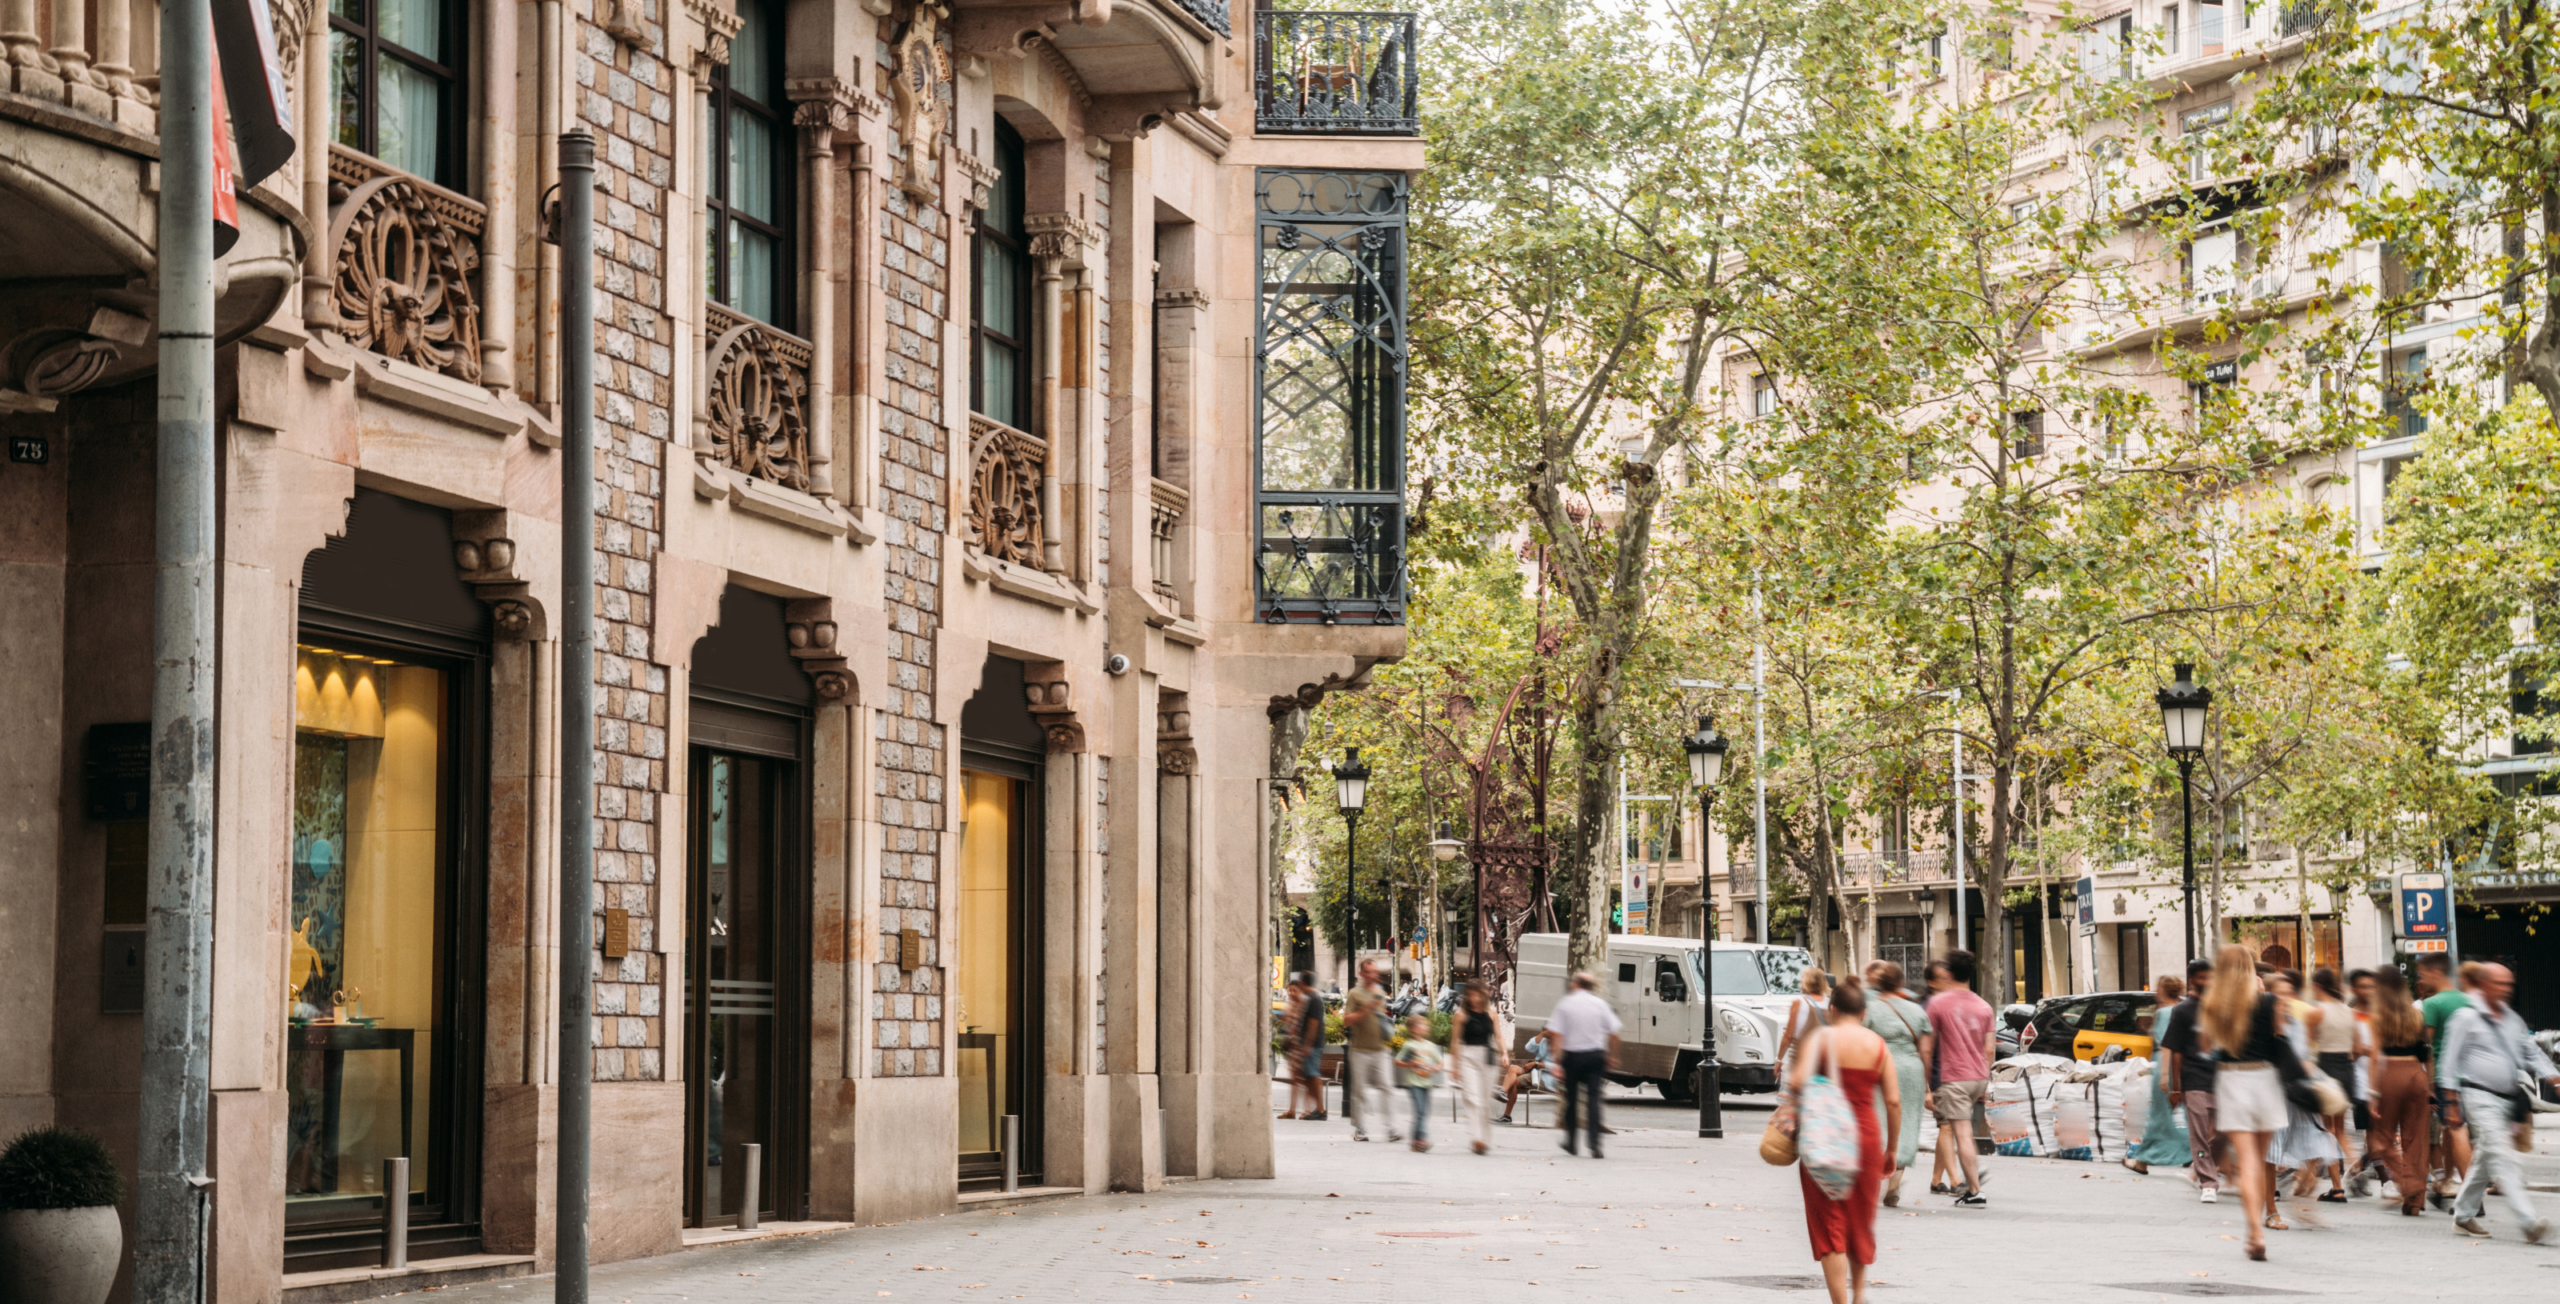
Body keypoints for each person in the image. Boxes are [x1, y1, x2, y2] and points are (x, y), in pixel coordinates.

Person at [1790, 975, 1898, 1304]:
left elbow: (1796, 1082)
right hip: (1865, 1140)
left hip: (1824, 1139)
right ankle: (1859, 1295)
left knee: (1830, 1222)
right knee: (1859, 1221)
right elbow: (1893, 1101)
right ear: (1863, 1013)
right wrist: (1891, 1148)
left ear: (1832, 1009)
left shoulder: (1821, 1039)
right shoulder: (1878, 1046)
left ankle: (1840, 1302)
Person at [2439, 961, 2559, 1242]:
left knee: (2485, 1158)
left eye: (2509, 984)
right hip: (2478, 1095)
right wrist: (2452, 1103)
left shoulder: (2512, 1019)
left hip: (2508, 1099)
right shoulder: (2464, 1018)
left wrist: (2554, 1078)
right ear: (2482, 984)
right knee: (2503, 1157)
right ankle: (2529, 1221)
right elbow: (2448, 1062)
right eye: (2499, 984)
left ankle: (2463, 1215)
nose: (2506, 989)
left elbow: (2530, 1053)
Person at [2199, 945, 2303, 1262]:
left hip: (2233, 1081)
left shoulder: (2214, 1004)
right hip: (2266, 1080)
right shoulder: (2269, 1001)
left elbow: (2205, 1046)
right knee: (2260, 1160)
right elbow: (2282, 1037)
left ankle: (2254, 1233)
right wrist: (2263, 995)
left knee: (2248, 1163)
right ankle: (2258, 1229)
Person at [2263, 970, 2340, 1216]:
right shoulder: (2264, 1023)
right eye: (2279, 993)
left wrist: (2309, 1075)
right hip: (2275, 1093)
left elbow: (2306, 1054)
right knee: (2273, 1149)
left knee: (2315, 1138)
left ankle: (2305, 1197)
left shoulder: (2295, 1021)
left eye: (2288, 992)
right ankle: (2271, 1205)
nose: (2285, 997)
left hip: (2297, 1092)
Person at [1923, 952, 1994, 1207]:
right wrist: (1985, 1079)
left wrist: (1927, 1085)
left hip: (1954, 1078)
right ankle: (1972, 1182)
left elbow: (1927, 1047)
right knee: (1965, 1132)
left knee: (1962, 1134)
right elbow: (1989, 1049)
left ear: (1949, 974)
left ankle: (1974, 1190)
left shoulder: (1938, 1003)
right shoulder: (1984, 1006)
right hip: (1978, 1077)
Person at [2364, 965, 2433, 1216]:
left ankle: (2408, 1185)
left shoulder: (2378, 1015)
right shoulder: (2417, 1015)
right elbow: (2427, 1054)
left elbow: (2373, 1055)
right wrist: (2432, 1086)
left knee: (2381, 1138)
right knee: (2417, 1140)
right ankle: (2416, 1199)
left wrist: (2372, 1093)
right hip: (2416, 1074)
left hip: (2390, 1075)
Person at [1861, 961, 1930, 1208]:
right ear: (1901, 982)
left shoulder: (1869, 1009)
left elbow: (1862, 1041)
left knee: (1878, 1121)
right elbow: (1925, 1052)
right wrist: (1928, 1086)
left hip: (1880, 1067)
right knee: (1908, 1123)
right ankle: (1895, 1180)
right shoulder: (1916, 1011)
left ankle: (1875, 1178)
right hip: (1912, 1070)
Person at [2161, 956, 2222, 1204]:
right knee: (2198, 1134)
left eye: (2210, 976)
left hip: (2222, 1080)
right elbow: (2176, 1052)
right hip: (2194, 1080)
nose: (2207, 981)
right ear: (2192, 980)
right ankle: (2209, 1183)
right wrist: (2177, 1088)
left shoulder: (2221, 1009)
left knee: (2224, 1131)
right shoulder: (2182, 1010)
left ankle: (2202, 1168)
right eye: (2202, 977)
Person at [2418, 954, 2474, 1206]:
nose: (2421, 979)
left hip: (2443, 1074)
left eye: (2423, 974)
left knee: (2454, 1129)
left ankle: (2471, 1195)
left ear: (2434, 972)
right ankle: (2446, 1183)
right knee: (2452, 1132)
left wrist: (2428, 1084)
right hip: (2471, 1074)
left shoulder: (2433, 1003)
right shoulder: (2470, 1001)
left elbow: (2426, 1048)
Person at [1547, 971, 1622, 1158]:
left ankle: (1571, 1142)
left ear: (1575, 984)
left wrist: (1556, 1062)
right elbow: (1614, 1032)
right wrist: (1611, 1055)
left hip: (1572, 1057)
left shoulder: (1565, 1004)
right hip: (1595, 1057)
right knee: (1594, 1099)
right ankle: (1595, 1143)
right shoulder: (1601, 1004)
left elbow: (1556, 1034)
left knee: (1572, 1100)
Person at [2123, 974, 2191, 1175]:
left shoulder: (2164, 1012)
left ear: (2162, 990)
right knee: (2182, 1115)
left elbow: (2166, 1045)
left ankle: (2143, 1160)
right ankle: (2189, 1154)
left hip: (2166, 1064)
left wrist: (2163, 1076)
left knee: (2160, 1115)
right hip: (2181, 1064)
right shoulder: (2181, 1009)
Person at [2304, 967, 2361, 1201]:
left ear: (2317, 986)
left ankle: (2338, 1186)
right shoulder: (2350, 1013)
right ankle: (2356, 1166)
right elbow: (2357, 1049)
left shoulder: (2316, 1013)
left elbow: (2308, 1049)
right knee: (2338, 1129)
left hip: (2325, 1068)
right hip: (2347, 1069)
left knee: (2326, 1130)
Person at [1343, 960, 1398, 1142]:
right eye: (1369, 972)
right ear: (1362, 973)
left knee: (1387, 1087)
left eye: (1375, 972)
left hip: (1380, 1049)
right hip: (1359, 1050)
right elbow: (1347, 1020)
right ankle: (1360, 1128)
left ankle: (1391, 1128)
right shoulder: (1355, 994)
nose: (1374, 975)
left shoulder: (1380, 993)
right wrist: (1367, 1008)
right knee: (1359, 1091)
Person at [1448, 981, 1506, 1154]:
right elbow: (1456, 1041)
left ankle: (1484, 1139)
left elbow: (1499, 1036)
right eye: (1470, 995)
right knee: (1473, 1098)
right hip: (1467, 1056)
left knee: (1485, 1102)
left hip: (1487, 1057)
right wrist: (1454, 1066)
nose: (1474, 998)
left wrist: (1504, 1053)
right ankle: (1478, 1138)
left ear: (1483, 994)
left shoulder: (1492, 1013)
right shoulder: (1461, 1014)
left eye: (1477, 994)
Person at [1281, 972, 1329, 1120]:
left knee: (1313, 1075)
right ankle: (1316, 1109)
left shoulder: (1313, 999)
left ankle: (1320, 1110)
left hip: (1312, 1045)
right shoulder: (1311, 998)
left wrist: (1307, 1045)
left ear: (1303, 983)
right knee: (1309, 1076)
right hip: (1310, 1045)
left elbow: (1313, 1024)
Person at [1395, 1013, 1446, 1152]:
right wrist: (1412, 1062)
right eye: (1422, 1025)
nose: (1425, 1027)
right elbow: (1398, 1061)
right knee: (1420, 1111)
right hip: (1413, 1083)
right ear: (1414, 1028)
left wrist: (1435, 1069)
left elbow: (1440, 1061)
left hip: (1427, 1083)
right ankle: (1422, 1139)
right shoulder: (1409, 1045)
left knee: (1423, 1112)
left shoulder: (1430, 1046)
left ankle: (1415, 1141)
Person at [1776, 966, 1832, 1074]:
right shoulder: (1830, 1002)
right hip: (1822, 1061)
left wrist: (1779, 1060)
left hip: (1800, 1060)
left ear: (1806, 981)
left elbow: (1788, 1036)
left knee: (1787, 1089)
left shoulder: (1799, 1002)